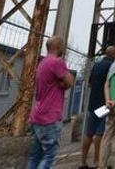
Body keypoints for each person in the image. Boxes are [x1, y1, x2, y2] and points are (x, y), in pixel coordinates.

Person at [28, 36, 74, 169]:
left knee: (35, 156)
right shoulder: (57, 63)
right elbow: (70, 81)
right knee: (49, 156)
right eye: (63, 45)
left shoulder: (42, 63)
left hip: (37, 116)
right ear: (57, 46)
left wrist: (61, 83)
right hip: (50, 118)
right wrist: (63, 83)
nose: (64, 48)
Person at [80, 46, 115, 169]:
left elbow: (90, 83)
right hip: (104, 104)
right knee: (100, 133)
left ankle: (83, 161)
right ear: (114, 55)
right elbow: (112, 84)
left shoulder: (96, 65)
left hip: (93, 103)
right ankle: (97, 161)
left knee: (89, 132)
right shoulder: (111, 66)